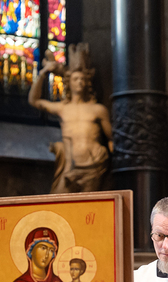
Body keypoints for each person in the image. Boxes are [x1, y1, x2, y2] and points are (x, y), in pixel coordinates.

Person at [28, 44, 113, 194]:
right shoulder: (63, 108)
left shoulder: (98, 110)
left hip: (94, 165)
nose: (79, 82)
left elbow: (111, 138)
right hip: (70, 166)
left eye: (82, 79)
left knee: (91, 206)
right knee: (59, 202)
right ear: (69, 82)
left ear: (87, 82)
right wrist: (43, 73)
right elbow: (34, 101)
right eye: (75, 79)